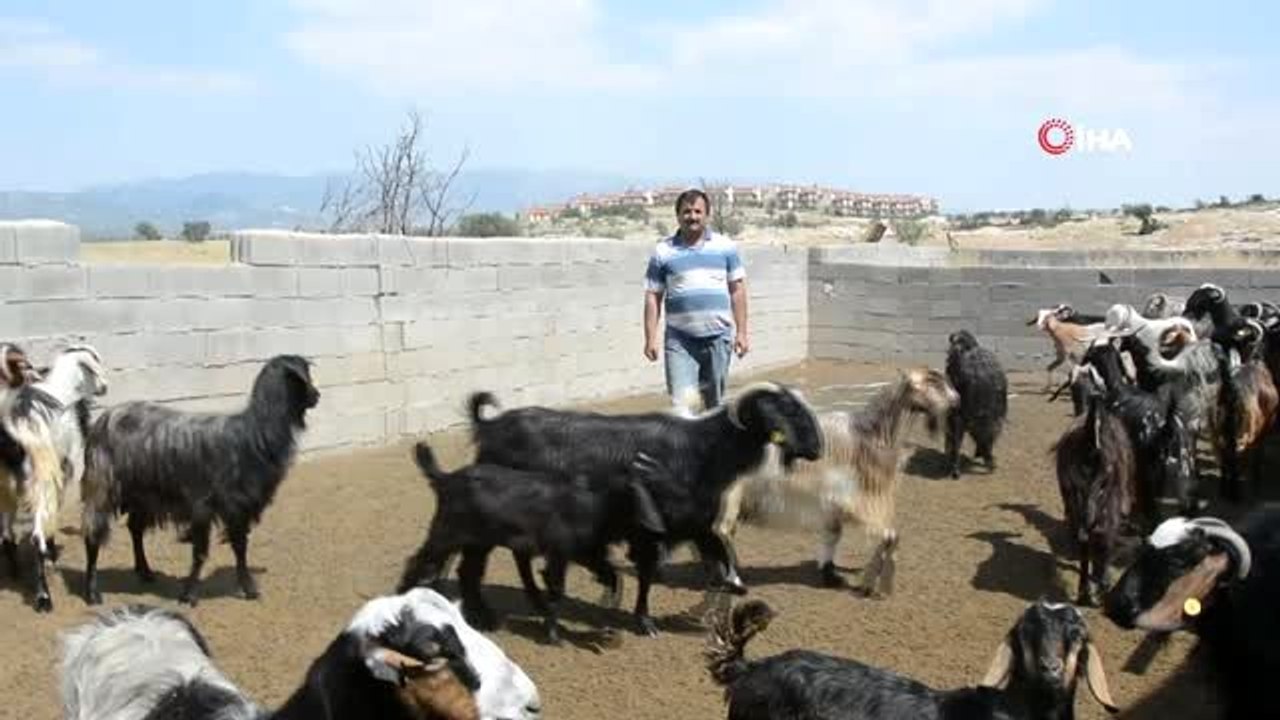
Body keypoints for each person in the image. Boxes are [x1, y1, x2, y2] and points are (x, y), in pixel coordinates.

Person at [643, 188, 749, 414]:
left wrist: (742, 332)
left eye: (698, 211)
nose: (692, 216)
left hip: (718, 339)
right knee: (683, 409)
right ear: (678, 215)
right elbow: (653, 296)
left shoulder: (725, 248)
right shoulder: (663, 252)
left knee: (715, 407)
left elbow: (737, 290)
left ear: (707, 215)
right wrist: (650, 338)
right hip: (680, 341)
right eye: (687, 211)